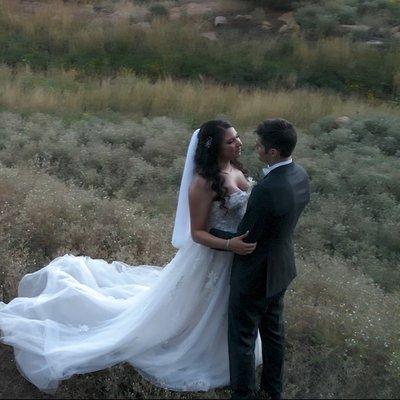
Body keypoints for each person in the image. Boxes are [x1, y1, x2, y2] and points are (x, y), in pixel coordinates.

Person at [0, 119, 260, 394]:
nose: (238, 143)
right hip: (214, 257)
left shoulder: (235, 168)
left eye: (238, 138)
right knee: (203, 309)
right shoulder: (203, 183)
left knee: (225, 307)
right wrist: (230, 244)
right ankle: (206, 352)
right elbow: (196, 233)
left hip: (236, 255)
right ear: (213, 147)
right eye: (230, 141)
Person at [210, 118, 310, 399]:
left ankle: (243, 395)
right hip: (281, 268)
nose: (255, 148)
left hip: (255, 274)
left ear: (273, 152)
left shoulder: (267, 189)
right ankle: (273, 391)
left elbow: (246, 239)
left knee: (242, 339)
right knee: (274, 334)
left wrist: (209, 234)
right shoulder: (300, 174)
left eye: (260, 145)